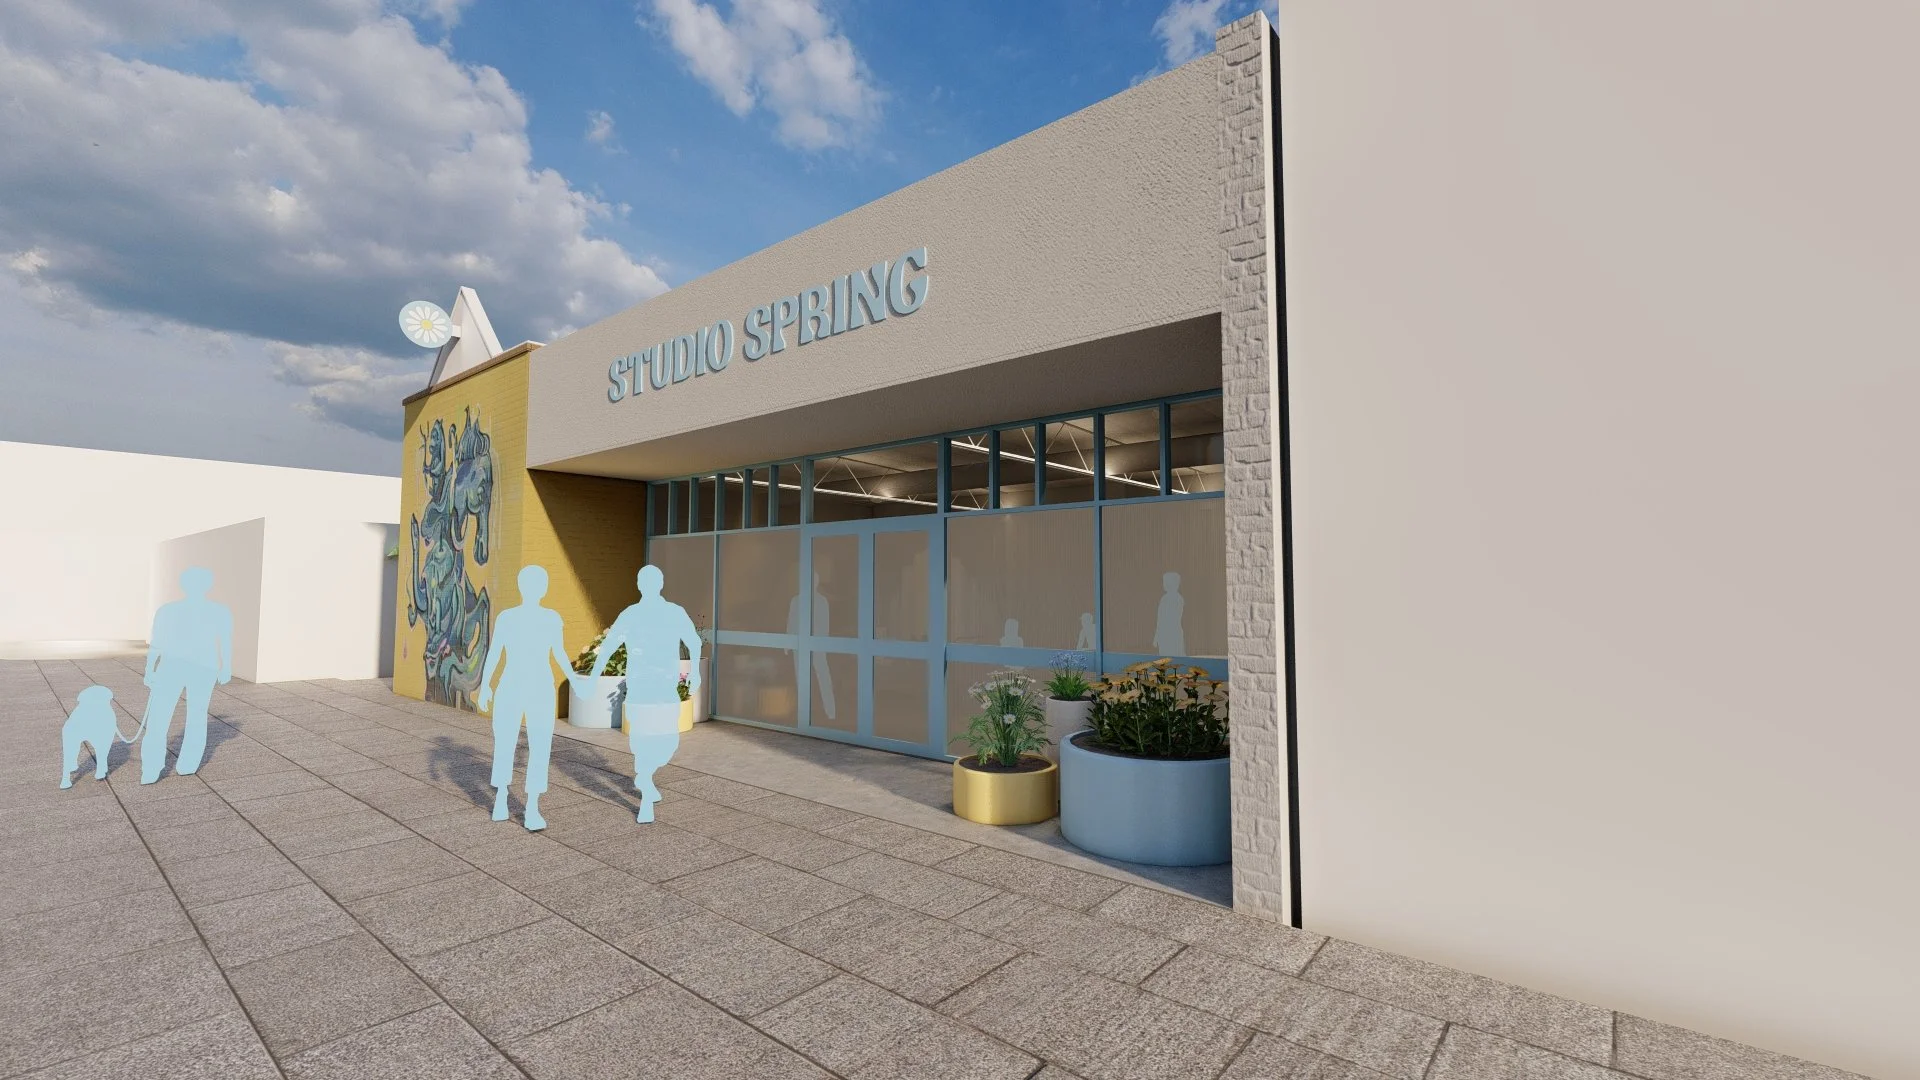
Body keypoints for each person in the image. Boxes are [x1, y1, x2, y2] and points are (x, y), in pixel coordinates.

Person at [583, 565, 702, 822]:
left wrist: (695, 671)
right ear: (639, 586)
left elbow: (693, 640)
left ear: (660, 584)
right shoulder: (630, 615)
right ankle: (646, 791)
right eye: (644, 582)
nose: (648, 586)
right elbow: (608, 646)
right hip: (640, 686)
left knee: (668, 741)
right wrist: (592, 678)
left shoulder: (674, 612)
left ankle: (645, 774)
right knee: (643, 737)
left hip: (665, 686)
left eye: (653, 581)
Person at [475, 565, 574, 832]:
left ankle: (508, 802)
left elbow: (495, 653)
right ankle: (525, 807)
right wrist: (576, 682)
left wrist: (486, 686)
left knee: (510, 743)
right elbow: (559, 654)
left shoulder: (511, 617)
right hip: (532, 687)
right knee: (536, 746)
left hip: (519, 686)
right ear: (542, 588)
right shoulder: (545, 618)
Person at [140, 567, 233, 784]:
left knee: (159, 718)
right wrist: (226, 667)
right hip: (202, 667)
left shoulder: (167, 610)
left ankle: (152, 768)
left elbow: (157, 642)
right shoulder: (219, 611)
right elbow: (225, 640)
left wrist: (150, 668)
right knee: (196, 717)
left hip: (173, 667)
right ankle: (187, 765)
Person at [785, 573, 836, 721]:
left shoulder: (822, 601)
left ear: (816, 583)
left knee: (823, 677)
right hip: (800, 645)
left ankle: (830, 711)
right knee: (801, 678)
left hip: (817, 645)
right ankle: (804, 713)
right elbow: (791, 621)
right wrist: (788, 642)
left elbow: (825, 624)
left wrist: (823, 643)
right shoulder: (796, 601)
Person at [1153, 571, 1187, 658]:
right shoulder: (1175, 598)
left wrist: (1157, 635)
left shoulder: (1170, 599)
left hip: (1169, 632)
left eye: (1165, 582)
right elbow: (1160, 618)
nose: (1164, 584)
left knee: (1172, 654)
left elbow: (1162, 618)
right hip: (1169, 632)